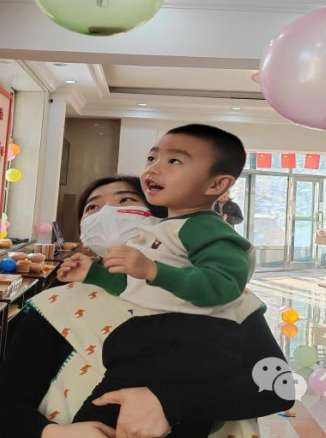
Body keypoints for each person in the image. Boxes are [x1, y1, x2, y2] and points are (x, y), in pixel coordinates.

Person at [0, 176, 293, 438]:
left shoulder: (218, 296)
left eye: (126, 200)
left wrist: (169, 404)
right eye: (93, 207)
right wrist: (55, 433)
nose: (108, 212)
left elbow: (277, 387)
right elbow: (4, 405)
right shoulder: (55, 306)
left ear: (163, 218)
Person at [58, 124, 256, 435]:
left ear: (217, 183)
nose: (154, 168)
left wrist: (153, 270)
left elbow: (224, 285)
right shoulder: (161, 230)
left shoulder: (206, 227)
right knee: (105, 416)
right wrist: (92, 273)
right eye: (152, 158)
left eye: (174, 161)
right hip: (156, 339)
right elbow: (137, 288)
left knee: (121, 416)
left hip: (191, 342)